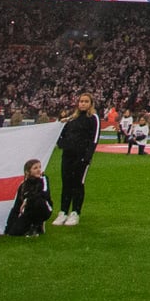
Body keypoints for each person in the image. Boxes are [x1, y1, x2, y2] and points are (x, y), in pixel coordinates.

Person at [52, 92, 97, 226]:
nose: (83, 103)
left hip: (82, 157)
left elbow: (94, 139)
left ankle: (75, 212)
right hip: (68, 156)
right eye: (81, 101)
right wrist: (62, 144)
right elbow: (62, 133)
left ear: (90, 103)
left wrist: (87, 157)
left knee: (78, 184)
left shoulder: (93, 118)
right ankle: (63, 212)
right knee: (66, 184)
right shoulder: (72, 118)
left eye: (86, 101)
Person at [5, 159, 53, 237]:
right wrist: (8, 227)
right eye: (35, 168)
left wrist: (27, 200)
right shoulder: (23, 185)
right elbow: (17, 206)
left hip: (44, 208)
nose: (39, 170)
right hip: (29, 212)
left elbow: (44, 194)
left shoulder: (43, 179)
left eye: (39, 167)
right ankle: (30, 225)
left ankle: (37, 224)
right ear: (28, 172)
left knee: (38, 201)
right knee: (14, 232)